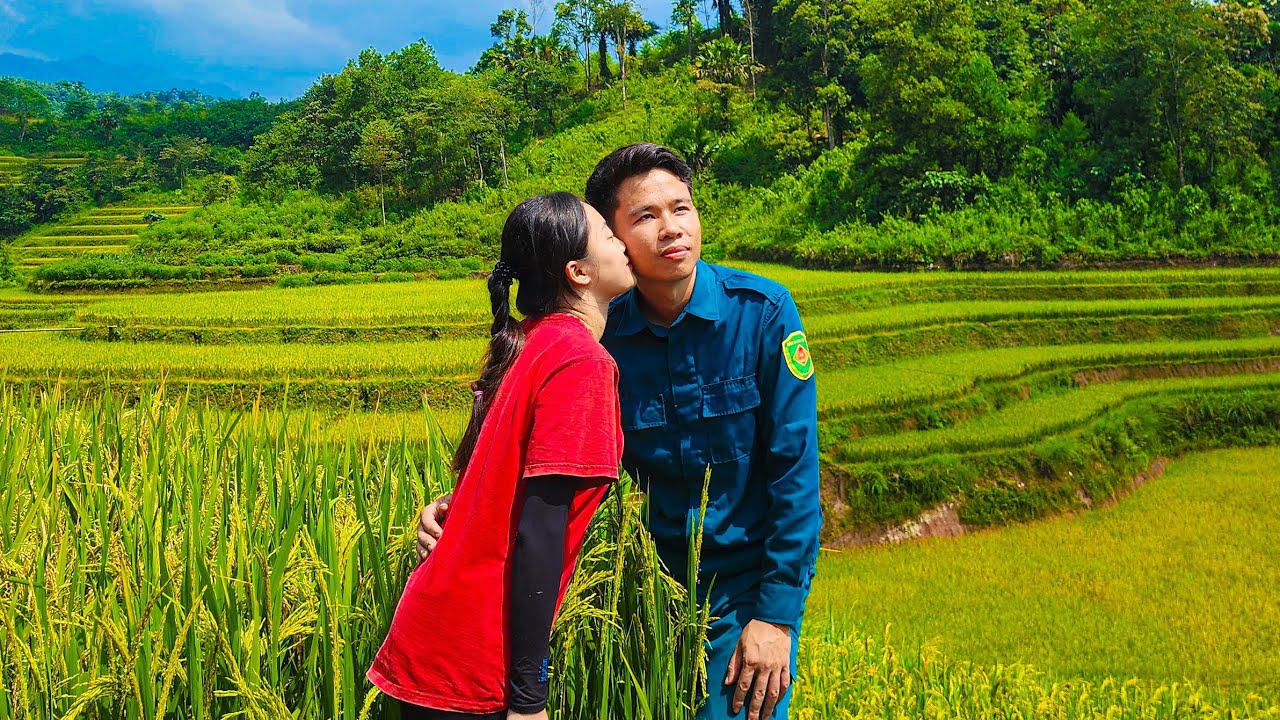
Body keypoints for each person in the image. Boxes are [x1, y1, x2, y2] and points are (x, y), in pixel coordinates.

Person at [419, 144, 822, 720]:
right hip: (632, 587)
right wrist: (457, 507)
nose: (670, 229)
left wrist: (777, 616)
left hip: (740, 592)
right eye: (644, 218)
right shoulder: (597, 335)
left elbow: (795, 471)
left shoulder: (763, 314)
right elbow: (533, 449)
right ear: (613, 241)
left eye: (680, 208)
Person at [369, 192, 635, 719]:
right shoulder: (582, 362)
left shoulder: (530, 342)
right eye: (608, 234)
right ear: (578, 272)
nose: (622, 242)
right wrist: (530, 697)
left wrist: (451, 507)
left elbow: (498, 484)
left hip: (433, 639)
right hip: (474, 657)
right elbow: (541, 534)